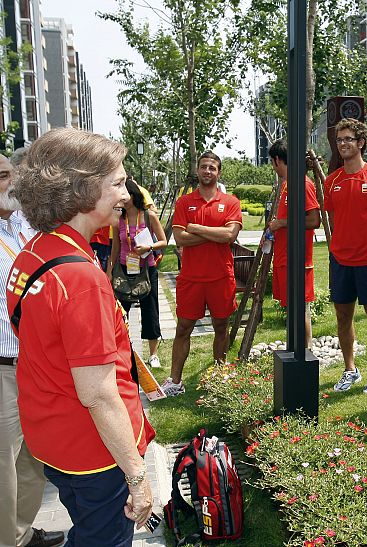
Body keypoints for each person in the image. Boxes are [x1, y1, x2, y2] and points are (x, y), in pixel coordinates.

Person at [7, 127, 156, 545]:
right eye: (117, 183)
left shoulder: (34, 252)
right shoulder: (80, 278)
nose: (126, 194)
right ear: (82, 188)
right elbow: (98, 394)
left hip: (52, 437)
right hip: (95, 451)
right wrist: (137, 476)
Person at [0, 152, 64, 547]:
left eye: (8, 174)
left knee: (34, 457)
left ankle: (20, 533)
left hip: (35, 365)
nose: (8, 183)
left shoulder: (25, 227)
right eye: (0, 176)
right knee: (4, 466)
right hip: (3, 367)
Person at [163, 151, 243, 396]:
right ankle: (175, 381)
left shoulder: (231, 202)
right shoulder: (184, 202)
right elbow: (180, 238)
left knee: (221, 327)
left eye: (212, 167)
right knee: (183, 328)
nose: (208, 171)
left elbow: (230, 235)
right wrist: (215, 233)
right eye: (204, 167)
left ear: (219, 172)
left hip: (221, 277)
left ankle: (219, 377)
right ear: (197, 170)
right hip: (191, 278)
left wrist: (196, 228)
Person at [324, 118, 367, 394]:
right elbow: (333, 218)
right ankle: (350, 369)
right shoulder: (332, 181)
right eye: (339, 140)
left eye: (348, 139)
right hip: (340, 261)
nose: (342, 144)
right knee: (343, 317)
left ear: (361, 143)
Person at [107, 177, 168, 368]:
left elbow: (163, 241)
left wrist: (149, 247)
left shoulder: (149, 216)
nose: (122, 199)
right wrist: (109, 271)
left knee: (150, 311)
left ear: (134, 195)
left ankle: (153, 354)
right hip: (124, 270)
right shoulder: (118, 219)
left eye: (126, 195)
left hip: (146, 270)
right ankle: (121, 350)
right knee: (119, 311)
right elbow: (115, 248)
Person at [267, 139, 321, 346]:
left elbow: (313, 220)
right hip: (285, 257)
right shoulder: (287, 185)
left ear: (277, 160)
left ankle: (305, 352)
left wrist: (282, 223)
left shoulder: (302, 184)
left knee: (299, 309)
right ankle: (296, 348)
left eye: (272, 162)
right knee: (293, 308)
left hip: (297, 260)